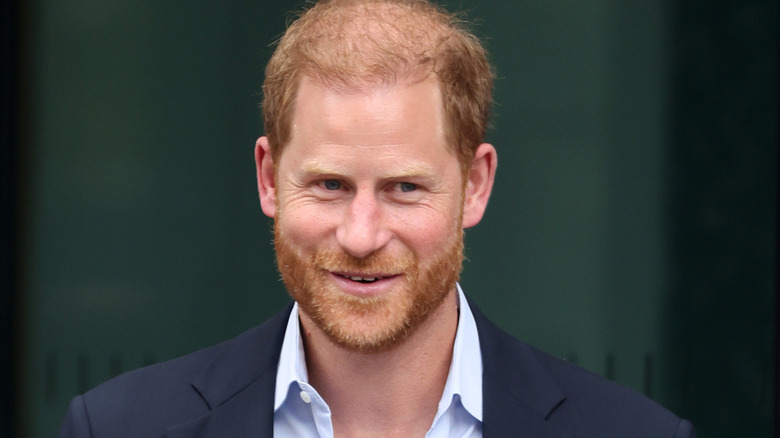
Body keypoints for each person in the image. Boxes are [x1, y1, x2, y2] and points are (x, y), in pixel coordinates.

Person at [59, 0, 696, 436]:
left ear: (475, 186)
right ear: (268, 177)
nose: (361, 235)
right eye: (330, 184)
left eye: (404, 187)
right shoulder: (119, 427)